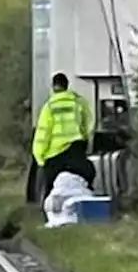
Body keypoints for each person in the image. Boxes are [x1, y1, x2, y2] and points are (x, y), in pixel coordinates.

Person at [32, 72, 95, 201]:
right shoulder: (78, 102)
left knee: (52, 192)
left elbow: (43, 133)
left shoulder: (49, 107)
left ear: (53, 87)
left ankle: (54, 217)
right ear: (67, 86)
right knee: (83, 181)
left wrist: (39, 157)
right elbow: (89, 123)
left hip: (54, 155)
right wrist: (86, 142)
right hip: (75, 150)